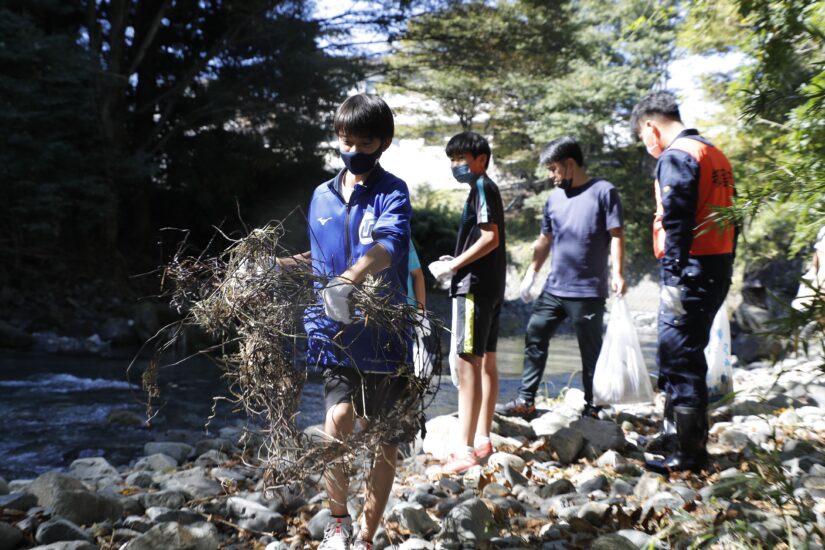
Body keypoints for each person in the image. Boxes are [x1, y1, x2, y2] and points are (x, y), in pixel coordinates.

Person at [279, 93, 412, 550]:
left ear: (384, 142)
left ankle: (367, 535)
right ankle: (337, 523)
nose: (352, 149)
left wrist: (349, 280)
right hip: (332, 330)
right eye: (345, 139)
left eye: (363, 141)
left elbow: (390, 244)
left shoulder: (393, 191)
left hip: (384, 334)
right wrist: (275, 267)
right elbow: (318, 261)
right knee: (336, 422)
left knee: (384, 439)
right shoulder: (321, 195)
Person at [630, 91, 736, 473]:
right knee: (681, 350)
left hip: (690, 269)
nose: (648, 147)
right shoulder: (713, 153)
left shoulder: (678, 156)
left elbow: (677, 220)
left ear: (650, 127)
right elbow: (734, 218)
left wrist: (673, 279)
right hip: (715, 266)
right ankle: (673, 434)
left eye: (644, 138)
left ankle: (690, 455)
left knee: (680, 355)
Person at [496, 137, 625, 420]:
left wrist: (618, 274)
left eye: (554, 169)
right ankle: (526, 400)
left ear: (570, 164)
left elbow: (616, 235)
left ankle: (593, 405)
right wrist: (531, 273)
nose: (552, 177)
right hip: (554, 288)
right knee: (534, 335)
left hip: (588, 290)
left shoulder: (604, 191)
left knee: (590, 351)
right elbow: (545, 239)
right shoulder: (554, 199)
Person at [428, 131, 506, 475]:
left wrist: (452, 266)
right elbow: (484, 238)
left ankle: (464, 448)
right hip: (490, 285)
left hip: (472, 288)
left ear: (481, 159)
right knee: (486, 361)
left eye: (461, 159)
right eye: (452, 160)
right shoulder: (485, 189)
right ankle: (483, 437)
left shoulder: (480, 188)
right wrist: (456, 257)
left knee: (466, 363)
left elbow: (491, 237)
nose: (456, 165)